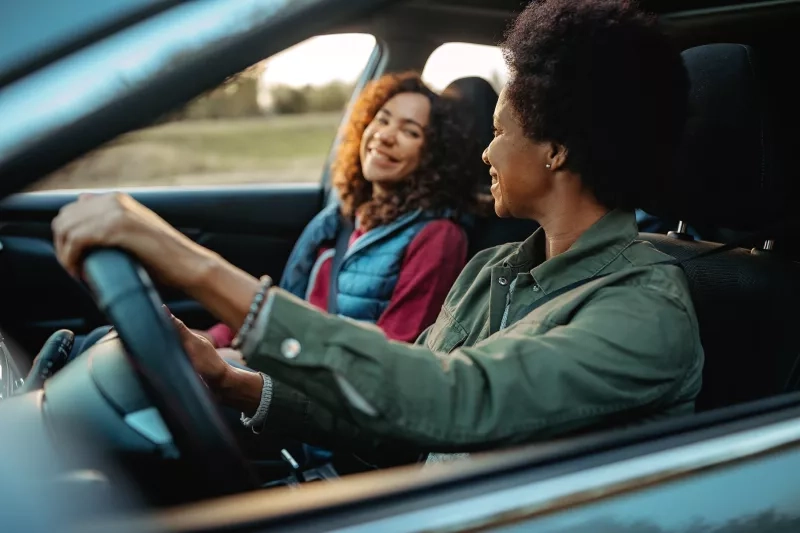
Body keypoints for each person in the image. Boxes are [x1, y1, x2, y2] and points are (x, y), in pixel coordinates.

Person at [52, 0, 703, 466]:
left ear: (558, 150)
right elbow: (398, 419)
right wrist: (233, 382)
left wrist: (194, 266)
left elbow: (456, 400)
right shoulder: (492, 270)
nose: (486, 154)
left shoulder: (644, 315)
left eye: (500, 132)